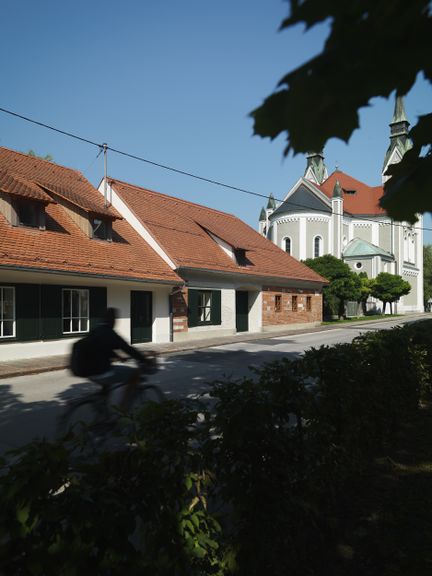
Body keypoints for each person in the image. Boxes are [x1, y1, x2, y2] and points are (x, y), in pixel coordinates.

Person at [75, 307, 153, 410]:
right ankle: (122, 409)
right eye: (115, 319)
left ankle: (103, 410)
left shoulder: (95, 330)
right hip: (102, 371)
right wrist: (144, 360)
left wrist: (118, 357)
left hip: (88, 371)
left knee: (105, 390)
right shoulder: (110, 333)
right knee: (134, 374)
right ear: (112, 320)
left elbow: (101, 348)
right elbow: (127, 348)